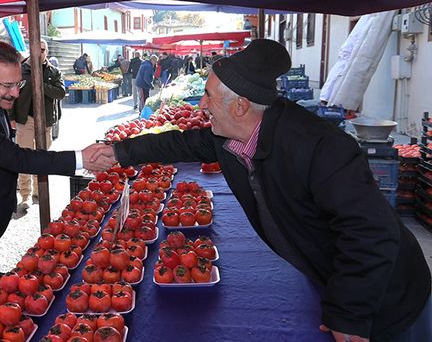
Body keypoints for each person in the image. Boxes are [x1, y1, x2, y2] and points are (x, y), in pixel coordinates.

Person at [94, 39, 431, 342]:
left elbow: (370, 232)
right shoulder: (238, 134)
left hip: (389, 295)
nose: (201, 106)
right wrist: (118, 153)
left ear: (239, 106)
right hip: (334, 275)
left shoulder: (320, 147)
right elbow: (182, 143)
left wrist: (350, 313)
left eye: (208, 95)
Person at [0, 41, 115, 272]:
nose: (16, 93)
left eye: (19, 83)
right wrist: (81, 159)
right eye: (8, 85)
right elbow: (16, 158)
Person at [9, 39, 66, 214]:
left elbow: (61, 92)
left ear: (46, 52)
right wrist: (11, 117)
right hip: (25, 120)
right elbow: (11, 94)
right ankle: (25, 195)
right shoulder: (20, 69)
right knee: (24, 157)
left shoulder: (53, 71)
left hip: (45, 121)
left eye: (42, 49)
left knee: (42, 158)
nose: (39, 52)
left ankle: (38, 192)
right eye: (36, 49)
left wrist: (41, 84)